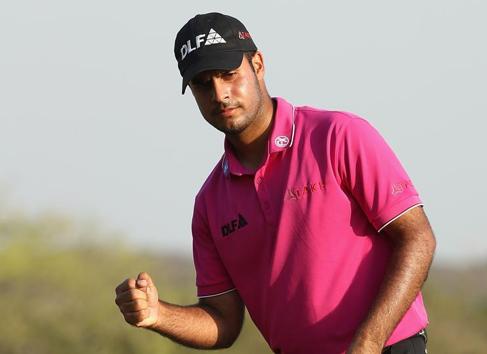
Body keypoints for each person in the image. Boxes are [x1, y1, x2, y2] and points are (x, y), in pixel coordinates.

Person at [114, 12, 436, 354]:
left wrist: (368, 344)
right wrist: (157, 314)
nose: (219, 94)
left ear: (258, 64)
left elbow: (417, 238)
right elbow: (223, 322)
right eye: (203, 84)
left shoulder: (338, 136)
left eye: (228, 75)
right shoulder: (209, 203)